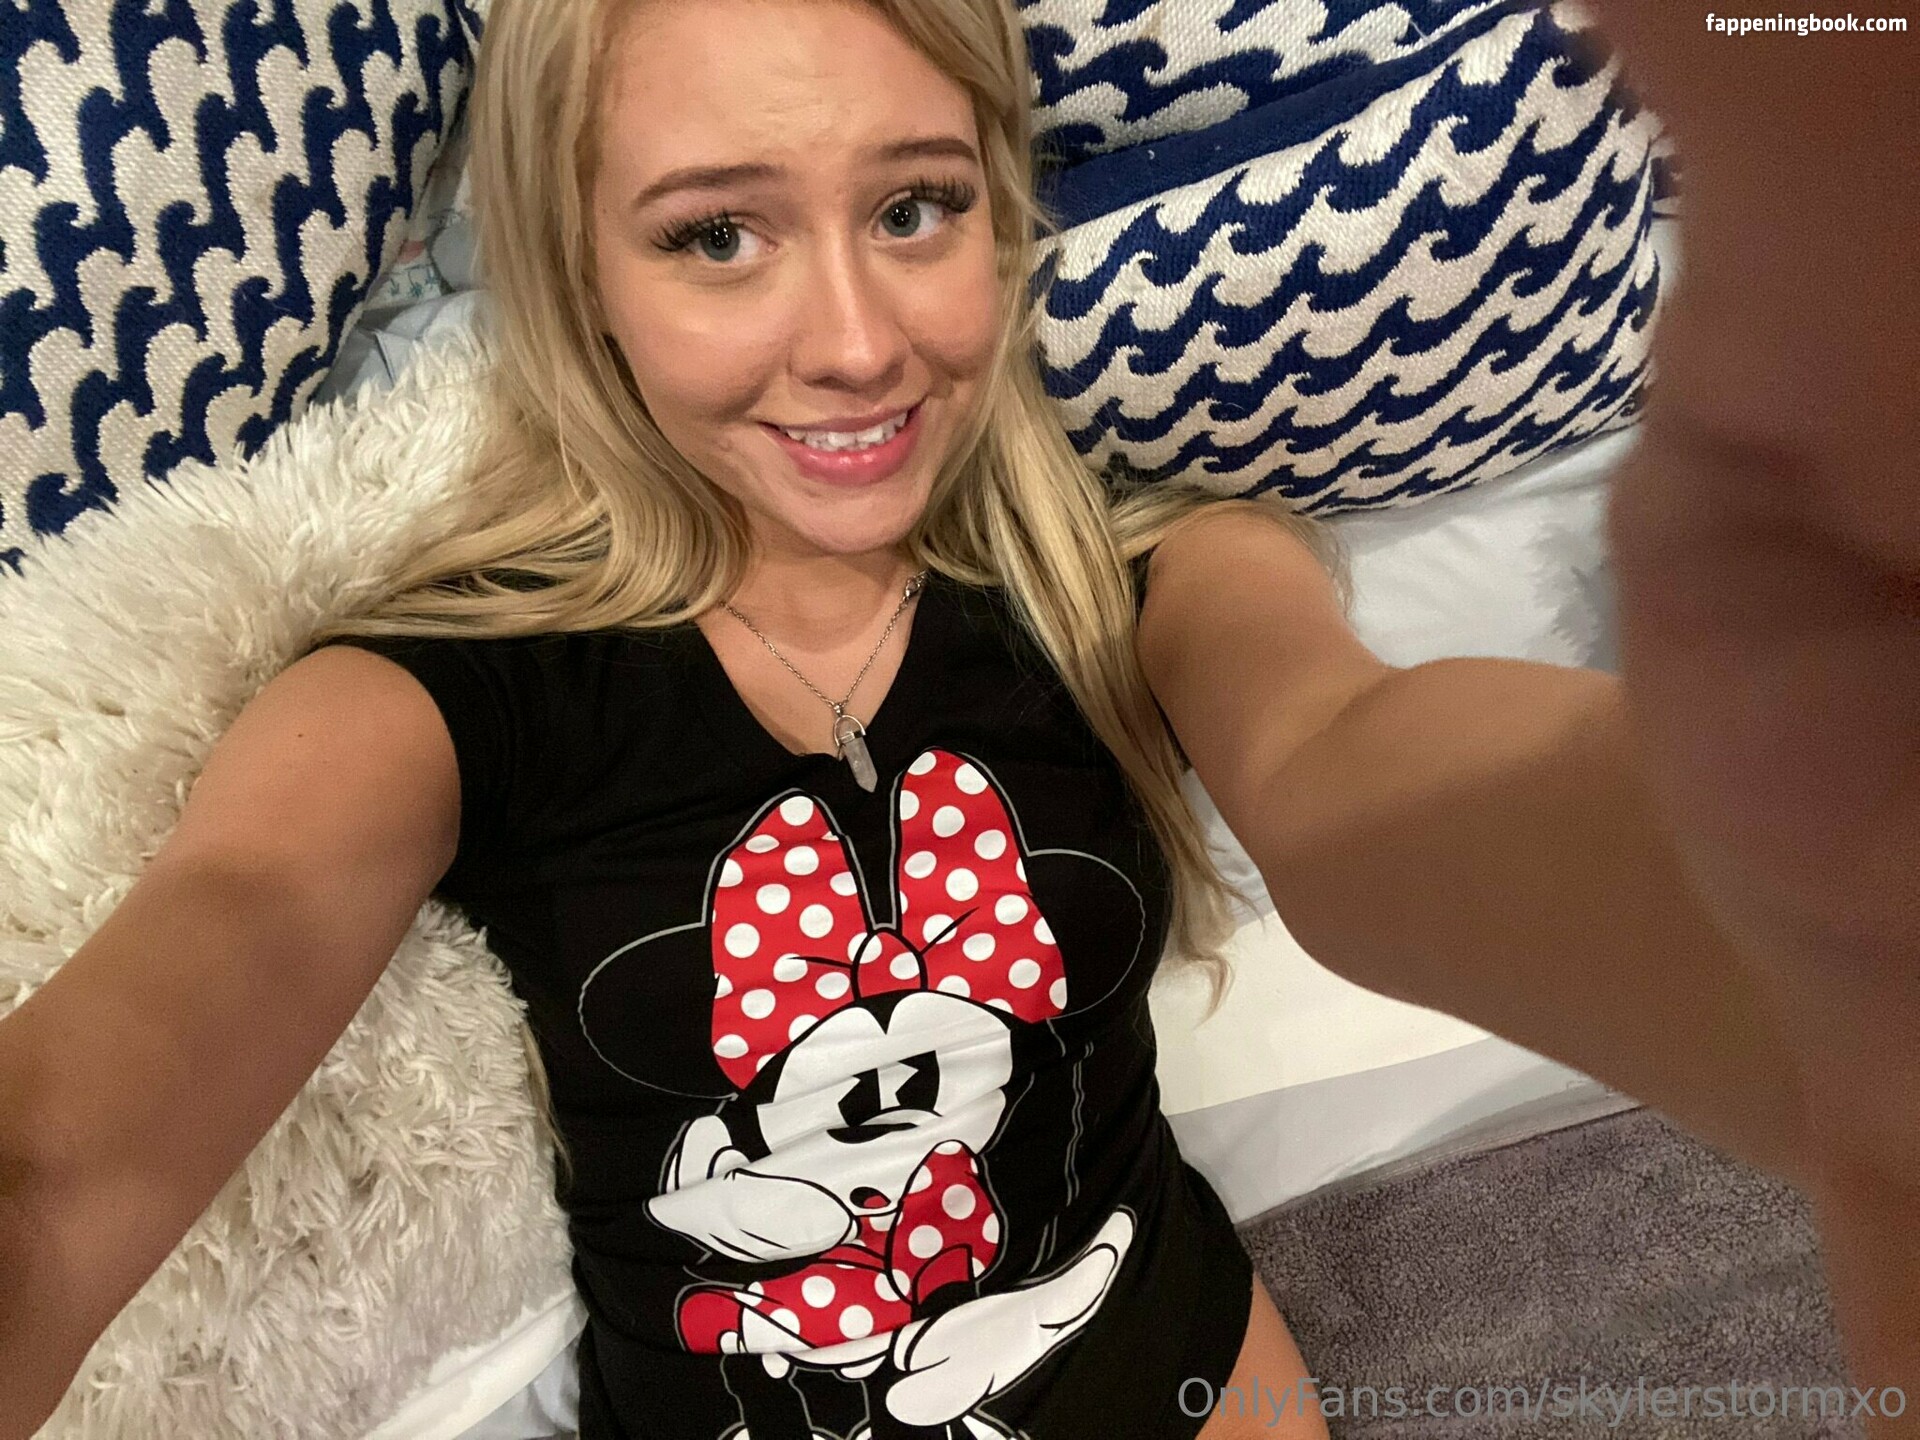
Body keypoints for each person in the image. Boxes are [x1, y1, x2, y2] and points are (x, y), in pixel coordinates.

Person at [0, 0, 1911, 1437]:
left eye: (915, 207)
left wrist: (1834, 939)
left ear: (1002, 217)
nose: (857, 342)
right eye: (717, 236)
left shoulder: (1155, 578)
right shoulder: (432, 692)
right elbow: (98, 1118)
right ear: (582, 277)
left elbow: (1350, 774)